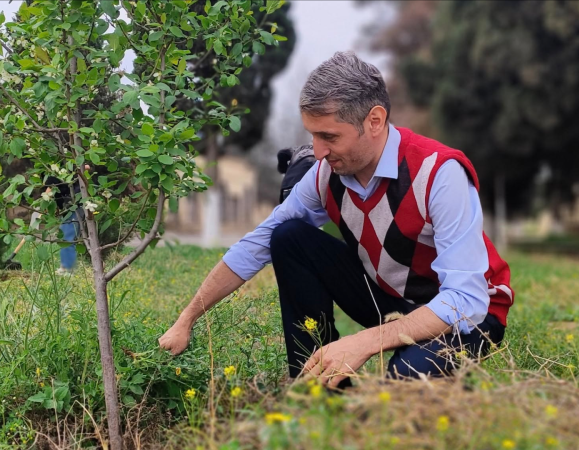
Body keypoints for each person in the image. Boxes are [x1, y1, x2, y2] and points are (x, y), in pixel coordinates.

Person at [159, 52, 514, 387]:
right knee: (288, 236)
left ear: (374, 121)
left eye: (329, 136)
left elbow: (465, 299)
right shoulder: (324, 175)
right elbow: (258, 243)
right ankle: (316, 384)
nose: (317, 152)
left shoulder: (439, 172)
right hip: (390, 300)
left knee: (407, 379)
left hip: (470, 314)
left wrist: (365, 342)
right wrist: (185, 320)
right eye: (312, 136)